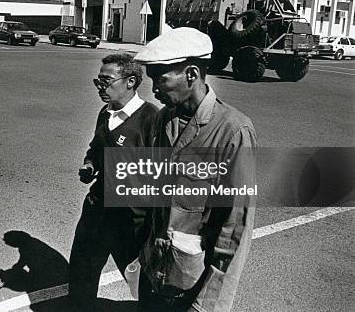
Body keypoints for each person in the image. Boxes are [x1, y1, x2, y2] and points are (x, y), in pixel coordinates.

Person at [133, 27, 257, 312]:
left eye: (160, 79)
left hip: (190, 286)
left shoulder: (233, 130)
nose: (153, 90)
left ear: (191, 74)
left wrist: (207, 304)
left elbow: (235, 228)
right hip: (154, 275)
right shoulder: (162, 120)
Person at [69, 53, 158, 311]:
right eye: (98, 82)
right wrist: (91, 165)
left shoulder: (151, 119)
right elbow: (96, 149)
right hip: (97, 209)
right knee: (82, 272)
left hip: (131, 218)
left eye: (106, 81)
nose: (100, 88)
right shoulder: (105, 113)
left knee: (143, 281)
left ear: (130, 81)